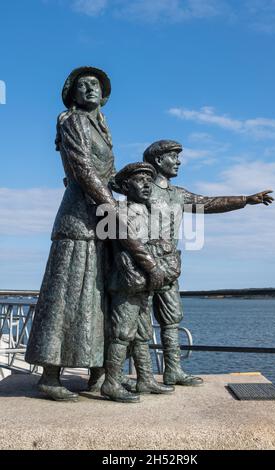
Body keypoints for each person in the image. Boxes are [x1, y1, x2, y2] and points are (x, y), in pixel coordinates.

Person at [25, 67, 164, 401]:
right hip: (79, 217)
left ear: (104, 95)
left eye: (95, 85)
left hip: (100, 219)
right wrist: (113, 210)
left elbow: (110, 176)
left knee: (98, 296)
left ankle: (98, 375)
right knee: (68, 294)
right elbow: (84, 173)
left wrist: (143, 184)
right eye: (82, 85)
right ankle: (50, 375)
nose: (89, 88)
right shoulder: (71, 121)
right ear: (72, 94)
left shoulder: (101, 127)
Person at [143, 140, 274, 387]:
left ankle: (173, 370)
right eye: (174, 156)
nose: (179, 161)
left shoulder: (178, 194)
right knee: (137, 321)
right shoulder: (141, 190)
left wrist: (245, 199)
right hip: (143, 263)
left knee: (171, 319)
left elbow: (209, 203)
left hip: (170, 264)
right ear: (159, 160)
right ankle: (142, 376)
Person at [101, 162, 176, 403]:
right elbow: (129, 244)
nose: (146, 184)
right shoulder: (118, 212)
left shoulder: (150, 213)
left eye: (148, 179)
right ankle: (111, 382)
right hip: (127, 281)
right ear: (125, 186)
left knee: (143, 333)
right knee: (122, 333)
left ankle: (145, 379)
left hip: (147, 283)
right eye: (139, 179)